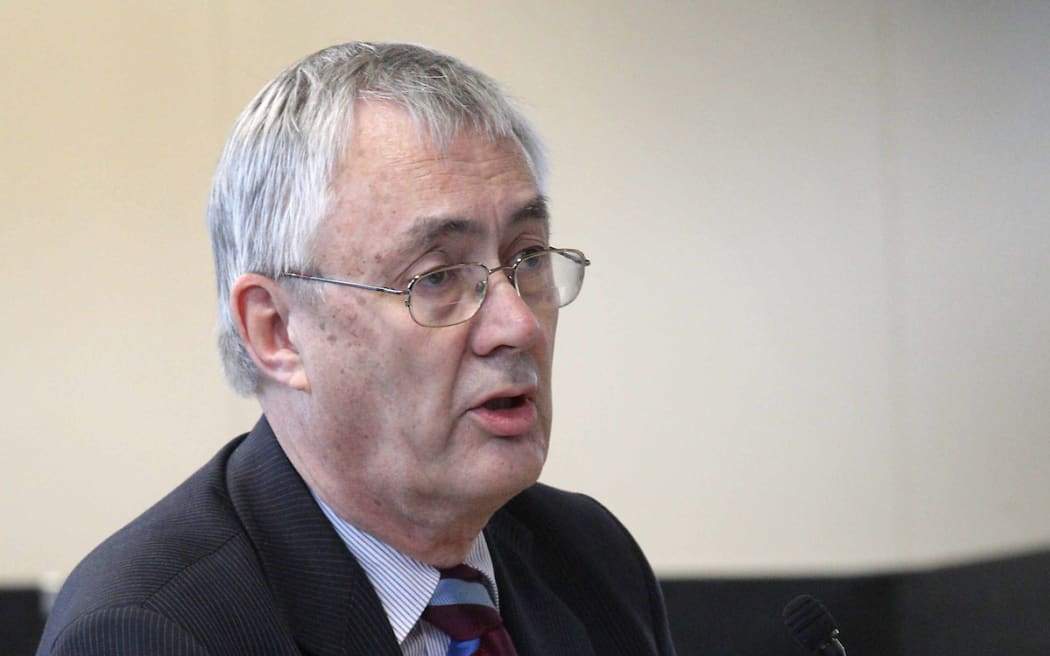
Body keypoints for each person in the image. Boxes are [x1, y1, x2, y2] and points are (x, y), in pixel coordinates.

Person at [37, 42, 677, 656]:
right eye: (437, 277)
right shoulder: (150, 631)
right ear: (277, 332)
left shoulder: (591, 561)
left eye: (528, 257)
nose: (518, 325)